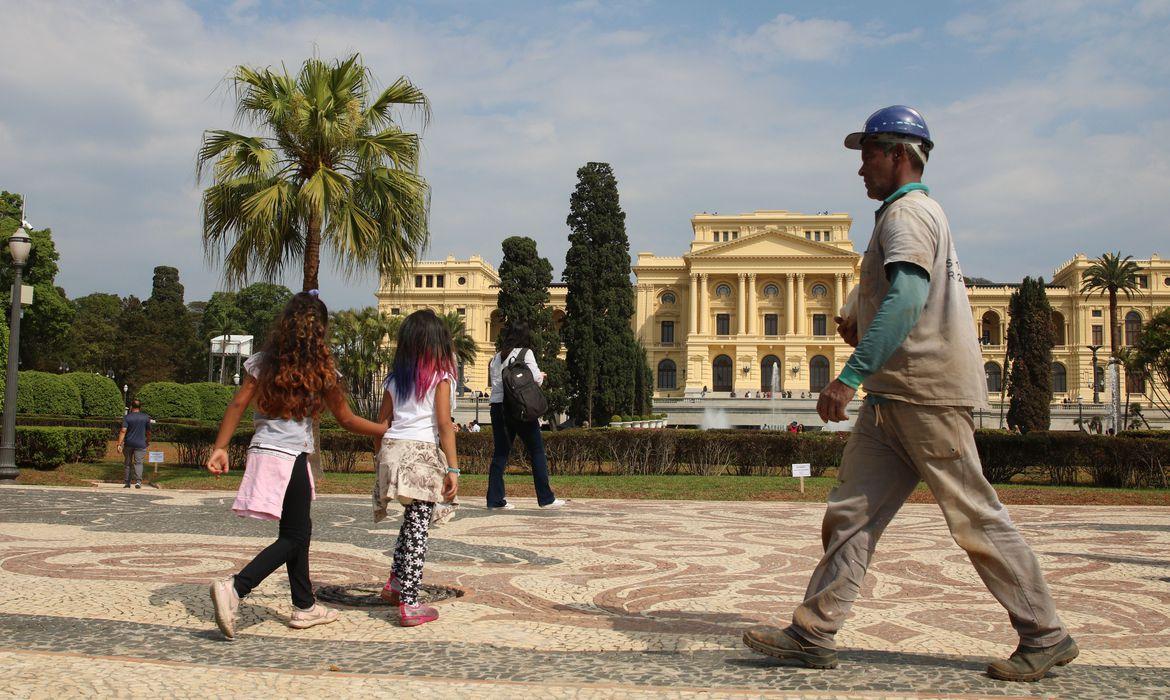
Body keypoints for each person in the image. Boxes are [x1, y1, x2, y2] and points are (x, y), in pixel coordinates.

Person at [743, 106, 1076, 682]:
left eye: (868, 153)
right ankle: (813, 631)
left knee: (973, 513)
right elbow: (888, 295)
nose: (860, 167)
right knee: (849, 514)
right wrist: (855, 317)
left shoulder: (909, 215)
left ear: (900, 155)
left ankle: (1045, 633)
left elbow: (907, 300)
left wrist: (848, 375)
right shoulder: (896, 219)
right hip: (892, 397)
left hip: (927, 392)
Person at [205, 291, 388, 641]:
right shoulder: (324, 371)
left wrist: (220, 447)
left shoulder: (262, 362)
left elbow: (237, 404)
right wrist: (383, 429)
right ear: (321, 331)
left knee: (296, 532)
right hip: (290, 457)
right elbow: (346, 419)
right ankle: (236, 587)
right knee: (296, 535)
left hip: (263, 451)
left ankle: (304, 606)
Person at [372, 310, 461, 626]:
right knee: (419, 528)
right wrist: (453, 469)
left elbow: (383, 423)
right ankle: (410, 603)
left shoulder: (394, 378)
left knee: (410, 522)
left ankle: (396, 584)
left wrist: (379, 458)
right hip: (420, 456)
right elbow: (444, 424)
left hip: (392, 451)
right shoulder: (441, 377)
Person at [486, 320, 565, 510]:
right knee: (536, 451)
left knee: (500, 454)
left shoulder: (496, 357)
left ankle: (494, 500)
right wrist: (541, 376)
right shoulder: (525, 353)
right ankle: (545, 498)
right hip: (519, 409)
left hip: (498, 408)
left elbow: (498, 384)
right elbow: (535, 379)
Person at [117, 399, 151, 488]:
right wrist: (147, 441)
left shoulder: (127, 417)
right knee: (139, 463)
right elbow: (148, 432)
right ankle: (138, 482)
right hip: (141, 444)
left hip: (129, 443)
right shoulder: (146, 417)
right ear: (140, 407)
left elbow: (123, 431)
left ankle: (127, 483)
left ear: (131, 407)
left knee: (128, 463)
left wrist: (119, 444)